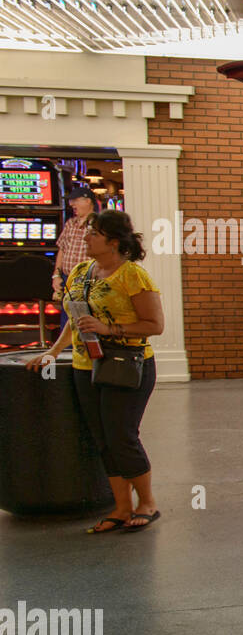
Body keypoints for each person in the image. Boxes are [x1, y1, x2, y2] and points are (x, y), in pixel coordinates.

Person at [25, 210, 165, 532]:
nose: (85, 237)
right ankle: (121, 507)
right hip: (84, 366)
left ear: (113, 242)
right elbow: (75, 320)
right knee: (102, 438)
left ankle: (147, 502)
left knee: (122, 436)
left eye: (93, 233)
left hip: (126, 365)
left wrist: (107, 327)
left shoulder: (133, 276)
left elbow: (155, 325)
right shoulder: (80, 271)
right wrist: (53, 352)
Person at [52, 187, 97, 321]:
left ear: (87, 201)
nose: (71, 204)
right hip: (67, 278)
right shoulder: (70, 224)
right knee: (67, 321)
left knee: (84, 321)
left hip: (87, 279)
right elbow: (62, 249)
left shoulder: (99, 224)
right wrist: (56, 275)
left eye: (75, 201)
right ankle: (68, 343)